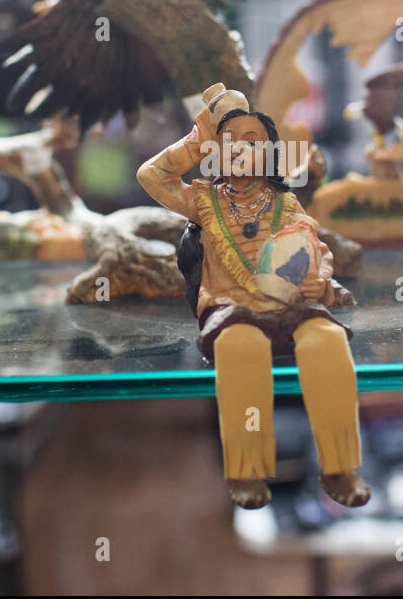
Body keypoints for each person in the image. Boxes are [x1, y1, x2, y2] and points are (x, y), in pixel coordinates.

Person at [137, 87, 371, 509]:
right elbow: (151, 176)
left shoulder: (285, 202)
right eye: (230, 142)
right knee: (239, 349)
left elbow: (314, 247)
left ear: (269, 155)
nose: (241, 150)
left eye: (252, 142)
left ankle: (340, 466)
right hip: (234, 309)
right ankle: (246, 470)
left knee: (328, 341)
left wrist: (320, 280)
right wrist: (198, 136)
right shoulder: (202, 201)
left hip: (294, 305)